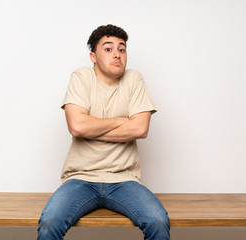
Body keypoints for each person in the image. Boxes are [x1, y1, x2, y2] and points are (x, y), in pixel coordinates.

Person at [37, 24, 170, 240]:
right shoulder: (81, 77)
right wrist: (119, 121)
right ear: (93, 56)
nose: (117, 54)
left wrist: (91, 128)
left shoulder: (134, 79)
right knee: (50, 221)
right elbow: (77, 127)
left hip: (124, 179)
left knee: (158, 221)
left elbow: (140, 128)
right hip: (80, 178)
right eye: (108, 49)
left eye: (122, 49)